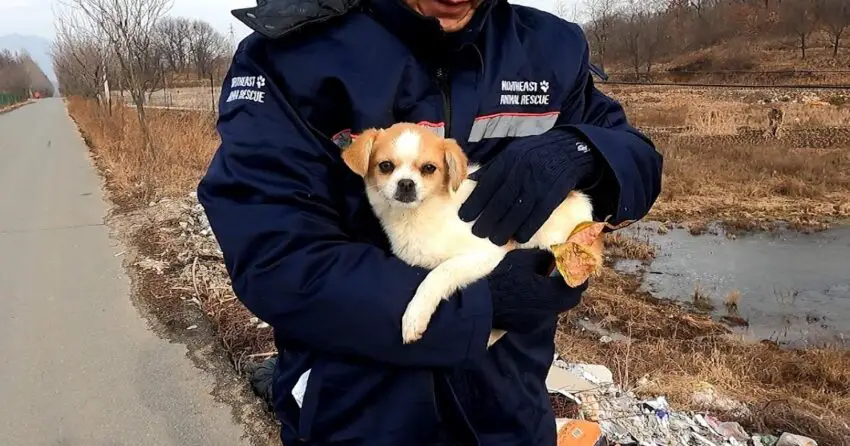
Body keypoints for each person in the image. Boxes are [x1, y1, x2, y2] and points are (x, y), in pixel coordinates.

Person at [197, 0, 663, 443]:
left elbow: (637, 158)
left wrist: (586, 152)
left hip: (511, 414)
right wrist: (481, 305)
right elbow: (275, 257)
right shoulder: (292, 54)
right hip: (358, 417)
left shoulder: (549, 47)